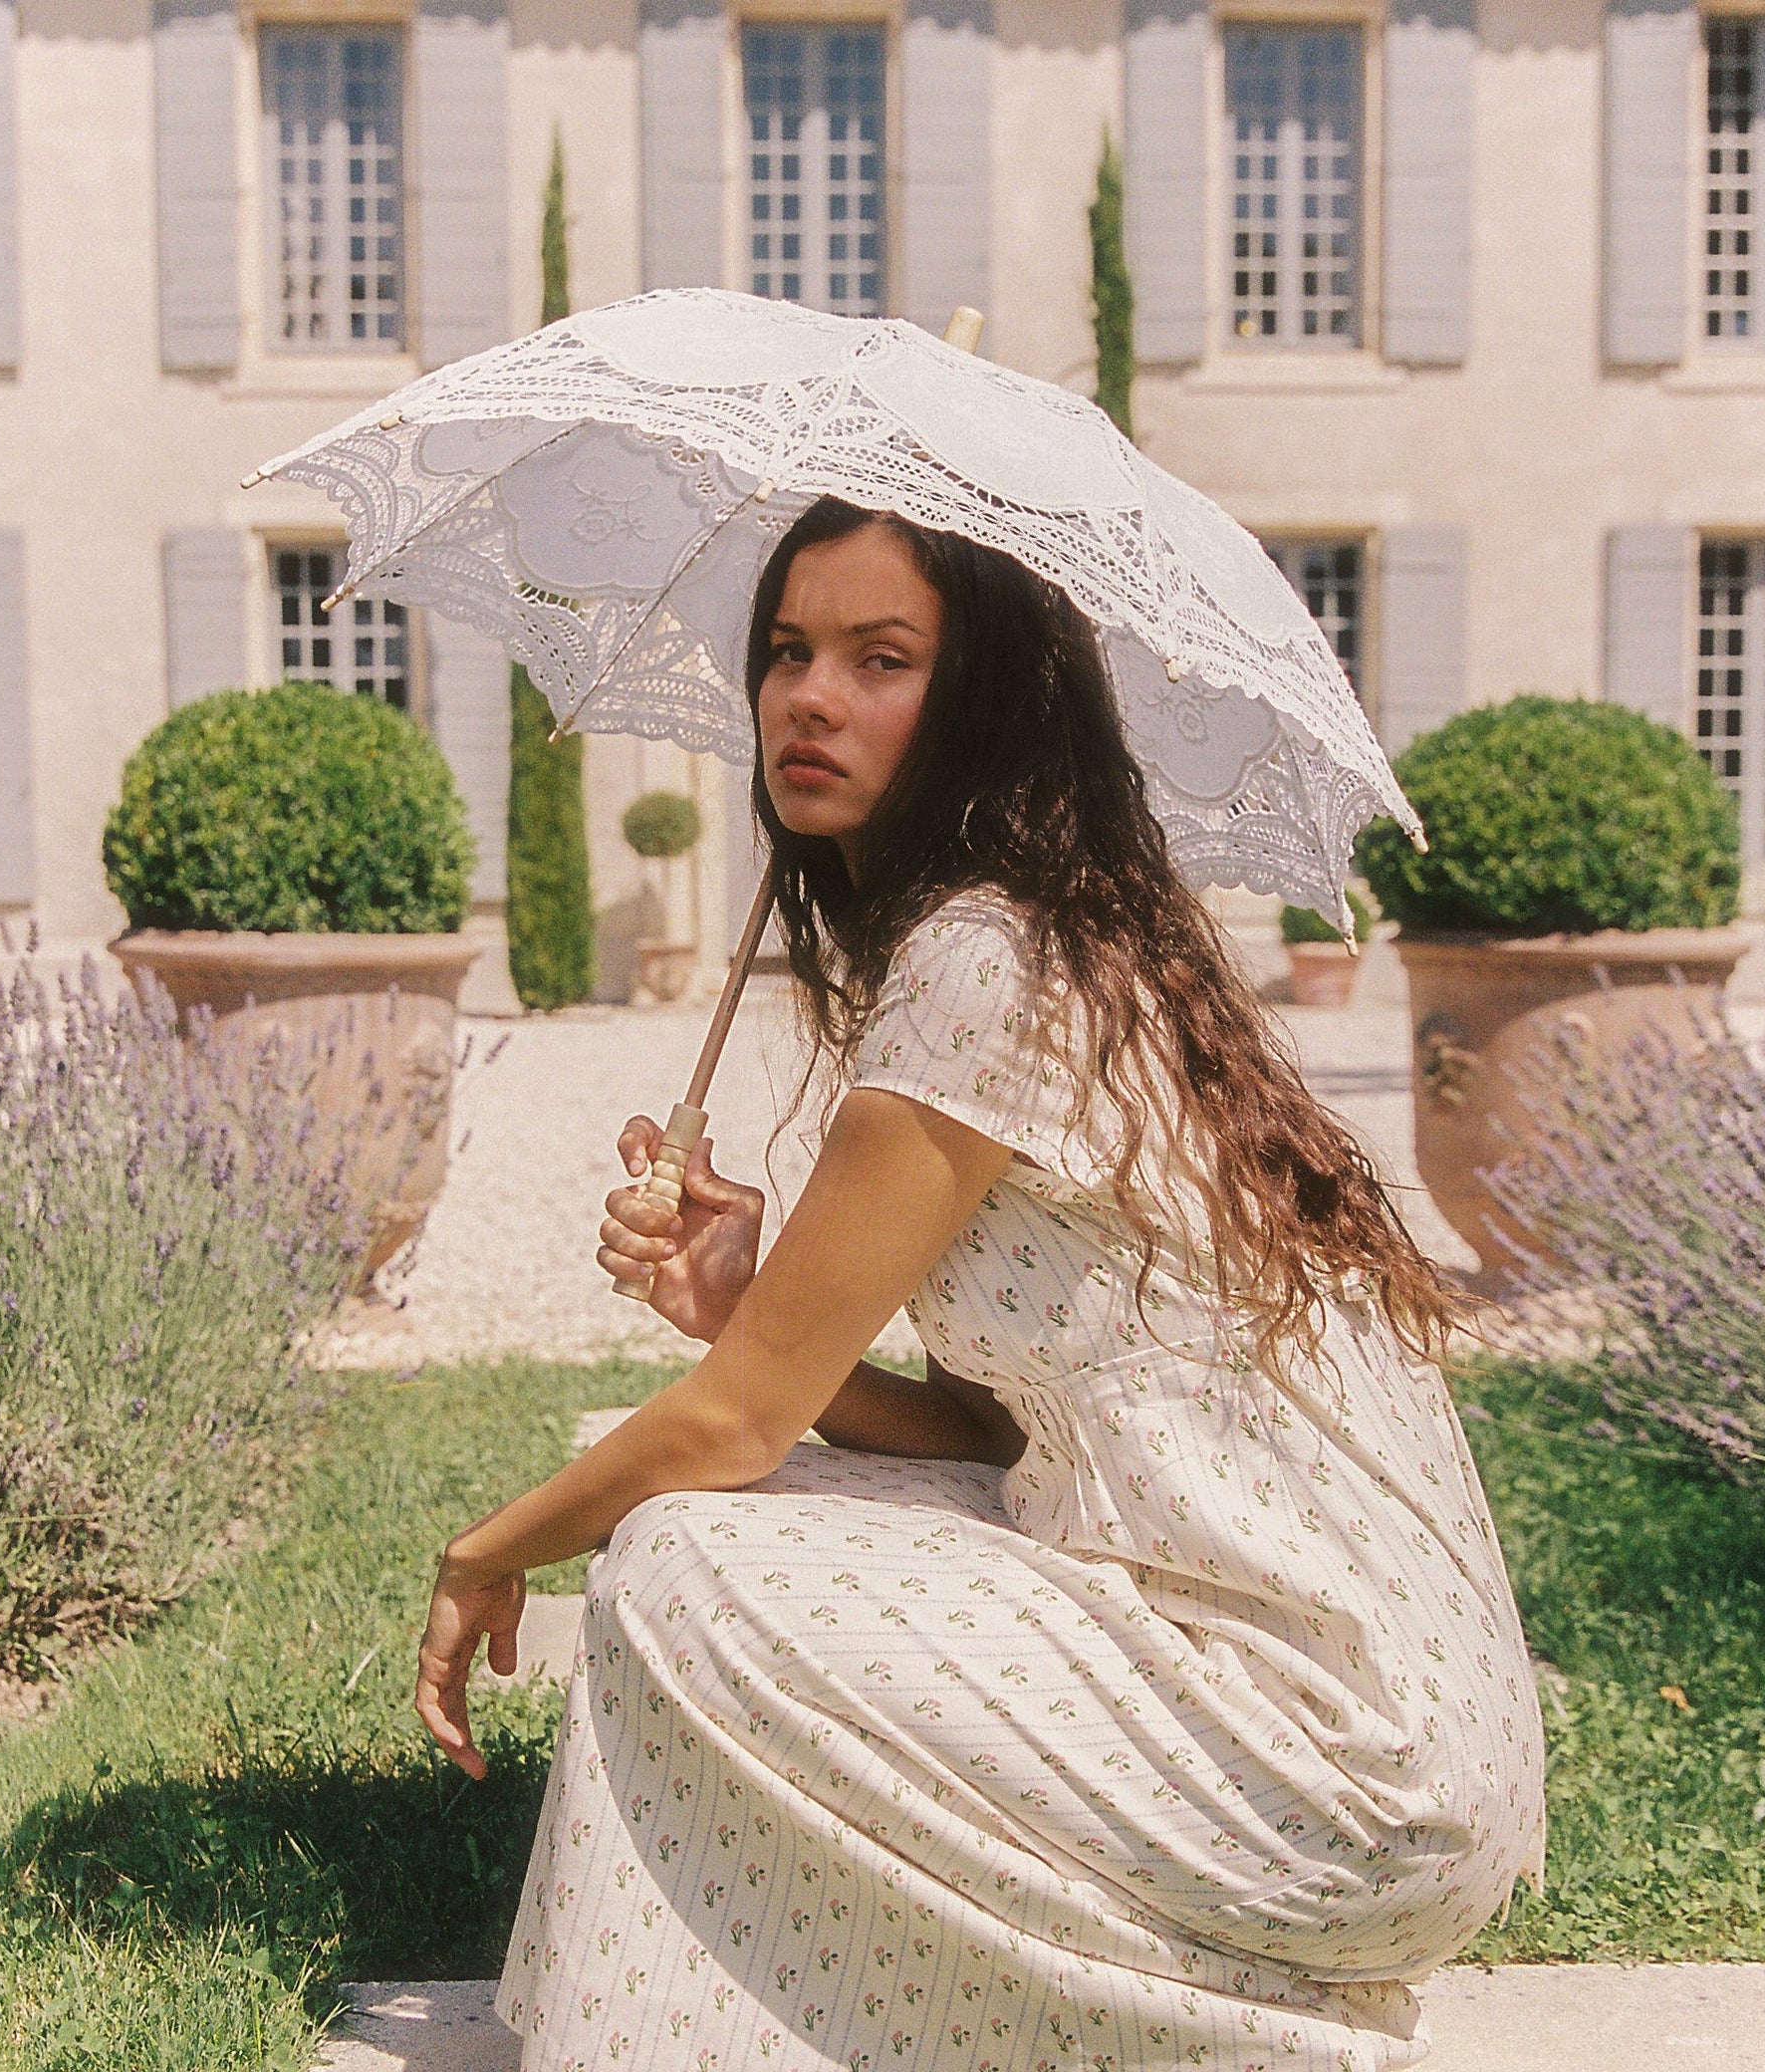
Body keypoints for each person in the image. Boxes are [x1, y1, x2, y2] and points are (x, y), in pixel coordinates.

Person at [415, 497, 1546, 2072]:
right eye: (790, 650)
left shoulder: (986, 965)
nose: (809, 698)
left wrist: (486, 1555)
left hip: (1345, 1768)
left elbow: (730, 1429)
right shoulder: (1042, 941)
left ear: (989, 703)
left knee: (678, 1548)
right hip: (1332, 1721)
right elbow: (1003, 1437)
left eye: (884, 660)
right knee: (742, 1508)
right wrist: (743, 1305)